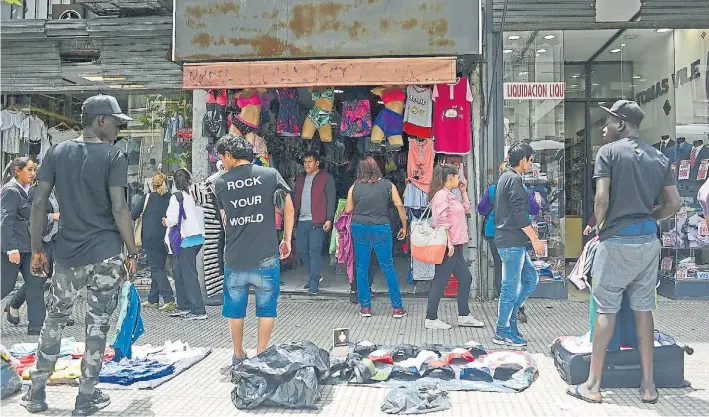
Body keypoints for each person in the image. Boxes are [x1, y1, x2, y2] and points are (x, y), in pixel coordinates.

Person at [24, 94, 139, 415]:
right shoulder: (114, 156)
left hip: (68, 255)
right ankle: (85, 398)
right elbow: (120, 208)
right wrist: (132, 251)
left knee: (54, 320)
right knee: (97, 325)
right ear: (101, 121)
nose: (118, 128)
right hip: (105, 254)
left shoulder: (57, 153)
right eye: (116, 122)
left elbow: (38, 203)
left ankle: (36, 393)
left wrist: (36, 250)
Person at [567, 100, 680, 404]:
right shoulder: (659, 157)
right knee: (644, 310)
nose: (604, 127)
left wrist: (599, 226)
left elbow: (601, 200)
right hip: (648, 242)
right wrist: (647, 219)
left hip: (616, 242)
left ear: (621, 124)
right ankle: (648, 386)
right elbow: (674, 204)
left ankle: (592, 386)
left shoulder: (608, 153)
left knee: (606, 309)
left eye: (608, 122)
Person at [212, 134, 294, 367]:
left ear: (229, 156)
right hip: (266, 254)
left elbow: (225, 219)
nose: (222, 163)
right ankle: (260, 355)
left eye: (221, 158)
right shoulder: (270, 175)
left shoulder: (219, 184)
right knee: (266, 309)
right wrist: (286, 239)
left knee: (235, 310)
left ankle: (238, 355)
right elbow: (288, 209)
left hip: (235, 256)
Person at [493, 142, 544, 347]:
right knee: (510, 288)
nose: (531, 164)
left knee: (531, 278)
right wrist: (534, 238)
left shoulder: (507, 177)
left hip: (512, 241)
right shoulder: (513, 179)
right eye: (531, 160)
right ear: (523, 160)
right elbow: (519, 213)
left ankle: (512, 318)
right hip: (511, 241)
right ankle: (502, 330)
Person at [344, 156, 407, 319]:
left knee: (362, 268)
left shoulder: (355, 186)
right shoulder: (388, 185)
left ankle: (365, 307)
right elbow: (399, 205)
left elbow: (348, 209)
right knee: (388, 266)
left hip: (360, 228)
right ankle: (397, 308)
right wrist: (404, 226)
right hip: (381, 228)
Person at [477, 161, 540, 323]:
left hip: (495, 233)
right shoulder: (523, 189)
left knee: (501, 270)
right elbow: (534, 210)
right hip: (517, 234)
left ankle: (504, 307)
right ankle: (518, 308)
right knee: (519, 272)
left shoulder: (492, 190)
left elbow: (481, 210)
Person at [424, 164, 485, 330]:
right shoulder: (441, 196)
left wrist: (464, 192)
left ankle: (464, 315)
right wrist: (449, 243)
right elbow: (441, 221)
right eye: (457, 176)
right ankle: (431, 318)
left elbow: (466, 209)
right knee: (440, 281)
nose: (459, 179)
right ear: (449, 177)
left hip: (456, 245)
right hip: (448, 246)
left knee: (465, 278)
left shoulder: (450, 195)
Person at [6, 182, 73, 328]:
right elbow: (31, 215)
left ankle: (58, 311)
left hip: (59, 237)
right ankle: (15, 304)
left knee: (59, 274)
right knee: (39, 278)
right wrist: (52, 217)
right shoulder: (34, 191)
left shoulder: (61, 189)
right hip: (42, 239)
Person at [1, 157, 46, 335]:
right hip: (13, 249)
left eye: (34, 169)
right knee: (4, 286)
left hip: (29, 247)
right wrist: (11, 248)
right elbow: (5, 221)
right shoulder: (11, 190)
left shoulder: (28, 190)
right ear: (17, 171)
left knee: (36, 285)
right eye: (29, 169)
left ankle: (37, 326)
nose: (33, 173)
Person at [165, 168, 207, 320]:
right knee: (180, 271)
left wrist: (165, 221)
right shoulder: (190, 196)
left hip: (185, 240)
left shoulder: (175, 197)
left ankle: (198, 309)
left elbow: (172, 219)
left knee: (188, 274)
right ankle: (183, 305)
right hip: (196, 238)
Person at [293, 151, 336, 294]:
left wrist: (329, 218)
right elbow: (294, 199)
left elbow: (331, 199)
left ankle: (313, 284)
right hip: (301, 220)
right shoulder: (300, 178)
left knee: (314, 251)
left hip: (318, 221)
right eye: (305, 162)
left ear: (317, 163)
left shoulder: (326, 177)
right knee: (300, 250)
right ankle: (315, 275)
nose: (306, 164)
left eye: (309, 162)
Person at [132, 172, 175, 311]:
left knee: (156, 268)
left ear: (152, 184)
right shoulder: (170, 198)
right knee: (158, 267)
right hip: (165, 237)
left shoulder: (147, 198)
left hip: (150, 238)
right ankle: (153, 299)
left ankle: (169, 298)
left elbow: (133, 214)